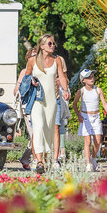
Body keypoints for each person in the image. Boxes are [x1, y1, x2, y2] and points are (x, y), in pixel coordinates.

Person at [24, 34, 70, 173]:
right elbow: (26, 76)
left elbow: (61, 76)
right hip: (37, 99)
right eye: (50, 43)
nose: (52, 46)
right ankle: (39, 161)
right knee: (38, 127)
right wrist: (30, 80)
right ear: (42, 46)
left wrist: (65, 90)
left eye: (53, 44)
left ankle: (46, 157)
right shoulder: (32, 61)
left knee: (49, 130)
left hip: (52, 100)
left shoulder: (57, 60)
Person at [72, 69, 107, 172]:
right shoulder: (81, 91)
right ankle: (88, 164)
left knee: (97, 141)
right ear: (83, 80)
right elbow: (74, 104)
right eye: (89, 77)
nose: (92, 78)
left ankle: (93, 158)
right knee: (87, 141)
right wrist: (78, 115)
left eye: (92, 76)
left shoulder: (98, 90)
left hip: (96, 117)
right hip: (85, 117)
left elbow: (104, 104)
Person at [14, 47, 38, 170]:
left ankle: (26, 158)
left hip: (39, 105)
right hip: (27, 106)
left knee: (38, 133)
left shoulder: (42, 70)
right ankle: (35, 159)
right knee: (35, 133)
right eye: (33, 56)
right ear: (29, 58)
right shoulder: (25, 72)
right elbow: (16, 91)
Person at [53, 60, 70, 167]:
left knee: (58, 130)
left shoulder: (63, 80)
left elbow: (66, 91)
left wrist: (65, 90)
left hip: (60, 108)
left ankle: (58, 155)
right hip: (47, 101)